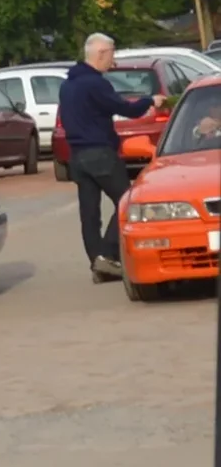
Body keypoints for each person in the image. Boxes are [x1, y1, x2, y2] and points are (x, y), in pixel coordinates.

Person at [56, 33, 152, 282]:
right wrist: (149, 101)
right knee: (127, 202)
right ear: (100, 53)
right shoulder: (94, 84)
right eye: (112, 53)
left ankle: (97, 264)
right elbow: (125, 109)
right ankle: (107, 256)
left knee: (89, 213)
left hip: (77, 156)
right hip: (100, 153)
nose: (114, 59)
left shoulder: (68, 85)